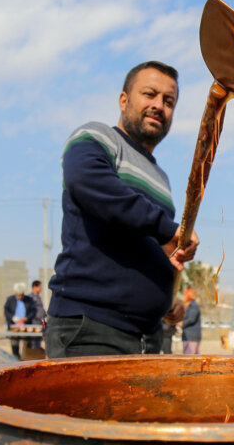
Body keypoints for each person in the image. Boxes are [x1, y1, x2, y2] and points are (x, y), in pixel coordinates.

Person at [44, 61, 198, 358]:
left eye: (169, 101)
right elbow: (88, 182)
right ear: (124, 100)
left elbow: (150, 245)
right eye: (149, 94)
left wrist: (165, 299)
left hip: (147, 336)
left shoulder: (162, 178)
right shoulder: (98, 137)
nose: (159, 106)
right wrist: (167, 230)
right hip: (90, 328)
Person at [3, 282, 37, 360]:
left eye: (21, 295)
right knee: (14, 344)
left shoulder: (29, 300)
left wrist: (27, 318)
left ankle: (25, 359)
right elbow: (6, 311)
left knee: (27, 346)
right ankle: (16, 359)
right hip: (14, 327)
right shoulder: (10, 300)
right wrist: (12, 317)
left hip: (26, 327)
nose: (19, 297)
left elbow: (33, 311)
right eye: (18, 295)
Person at [181, 289, 201, 354]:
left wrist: (182, 324)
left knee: (190, 357)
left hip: (192, 336)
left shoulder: (194, 305)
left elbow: (191, 319)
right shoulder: (188, 305)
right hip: (187, 335)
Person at [29, 280, 46, 348]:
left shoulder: (38, 297)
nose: (41, 288)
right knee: (34, 342)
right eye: (39, 286)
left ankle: (37, 354)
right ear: (34, 287)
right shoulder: (30, 297)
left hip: (40, 322)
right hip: (34, 322)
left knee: (38, 341)